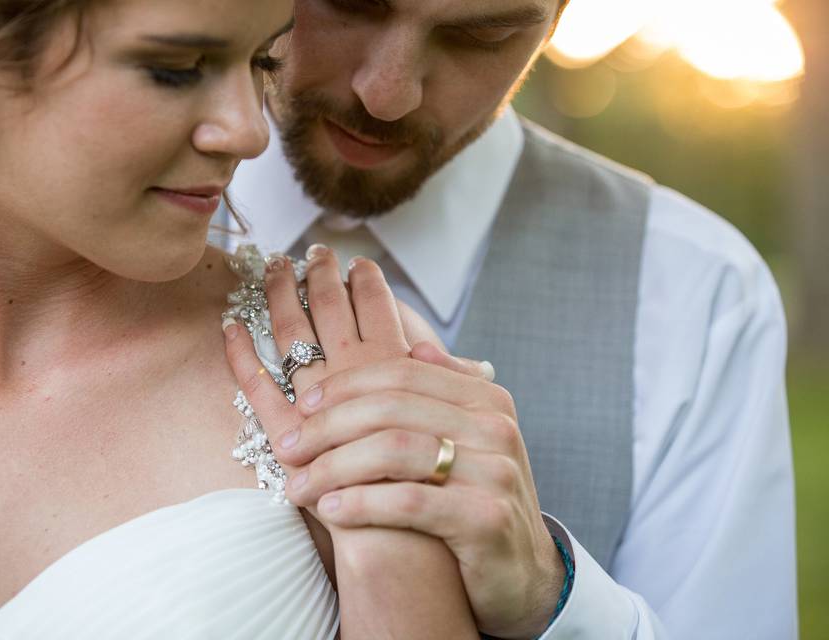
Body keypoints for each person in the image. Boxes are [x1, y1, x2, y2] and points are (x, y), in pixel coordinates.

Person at [0, 1, 490, 638]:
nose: (251, 132)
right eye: (178, 68)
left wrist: (397, 557)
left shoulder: (337, 354)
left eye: (261, 61)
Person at [224, 0, 799, 637]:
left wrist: (549, 593)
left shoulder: (700, 292)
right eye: (349, 5)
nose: (387, 94)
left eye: (481, 34)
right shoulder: (106, 241)